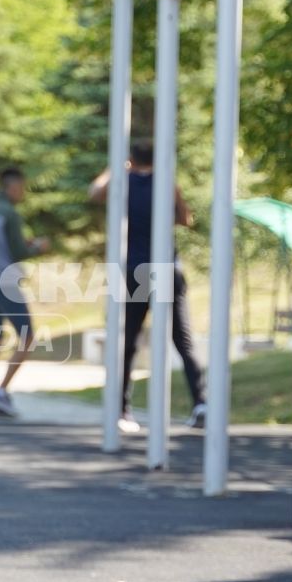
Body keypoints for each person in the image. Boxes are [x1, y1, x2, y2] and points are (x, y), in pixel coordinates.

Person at [89, 140, 206, 434]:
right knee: (183, 339)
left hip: (134, 270)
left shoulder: (122, 183)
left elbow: (95, 193)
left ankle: (122, 409)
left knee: (128, 341)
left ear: (131, 159)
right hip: (166, 267)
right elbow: (186, 218)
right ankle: (201, 403)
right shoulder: (167, 183)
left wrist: (114, 169)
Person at [0, 166, 48, 417]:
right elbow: (18, 252)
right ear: (12, 187)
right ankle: (1, 391)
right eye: (22, 188)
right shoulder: (9, 214)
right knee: (27, 337)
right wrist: (39, 247)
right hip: (5, 282)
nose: (23, 193)